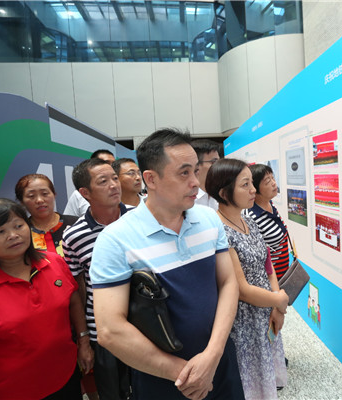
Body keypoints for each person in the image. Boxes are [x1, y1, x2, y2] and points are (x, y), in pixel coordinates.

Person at [90, 128, 244, 400]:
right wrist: (187, 374)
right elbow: (110, 330)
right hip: (161, 375)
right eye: (184, 173)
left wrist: (213, 354)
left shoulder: (209, 219)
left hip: (220, 361)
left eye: (196, 171)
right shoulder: (115, 239)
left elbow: (228, 282)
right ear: (151, 179)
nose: (195, 182)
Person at [0, 198, 93, 399]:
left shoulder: (54, 262)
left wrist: (83, 340)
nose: (13, 235)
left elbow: (73, 299)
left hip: (65, 381)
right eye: (0, 231)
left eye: (18, 226)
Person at [206, 158, 288, 399]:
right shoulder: (220, 231)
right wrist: (278, 300)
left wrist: (277, 305)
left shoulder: (249, 221)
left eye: (252, 183)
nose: (253, 190)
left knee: (266, 372)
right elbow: (240, 289)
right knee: (249, 379)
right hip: (244, 319)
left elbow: (267, 265)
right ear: (224, 193)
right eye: (245, 185)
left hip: (266, 309)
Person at [62, 158, 134, 400]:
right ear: (85, 193)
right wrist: (83, 339)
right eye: (103, 181)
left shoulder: (142, 217)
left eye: (114, 178)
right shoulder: (74, 236)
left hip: (149, 323)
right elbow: (78, 290)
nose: (114, 185)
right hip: (104, 331)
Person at [15, 173, 78, 257]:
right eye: (31, 196)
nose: (39, 200)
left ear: (54, 194)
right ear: (22, 202)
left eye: (44, 194)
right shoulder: (20, 234)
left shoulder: (77, 223)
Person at [246, 163, 291, 279]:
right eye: (267, 181)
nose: (274, 183)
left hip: (284, 274)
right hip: (271, 280)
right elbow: (256, 260)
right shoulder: (251, 217)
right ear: (255, 189)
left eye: (273, 178)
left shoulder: (270, 204)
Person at [65, 149, 115, 217]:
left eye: (114, 164)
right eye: (106, 162)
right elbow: (69, 219)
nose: (111, 166)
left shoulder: (119, 189)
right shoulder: (78, 195)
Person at [191, 139, 221, 210]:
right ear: (196, 165)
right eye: (214, 162)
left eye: (220, 162)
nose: (220, 166)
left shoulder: (221, 196)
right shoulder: (188, 200)